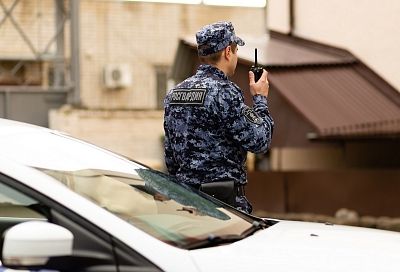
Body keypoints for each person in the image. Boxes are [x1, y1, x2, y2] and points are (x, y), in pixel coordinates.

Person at [163, 21, 274, 213]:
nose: (236, 56)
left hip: (185, 204)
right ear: (227, 52)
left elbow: (171, 158)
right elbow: (259, 141)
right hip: (222, 206)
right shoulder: (225, 92)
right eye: (236, 50)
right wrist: (260, 99)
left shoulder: (175, 94)